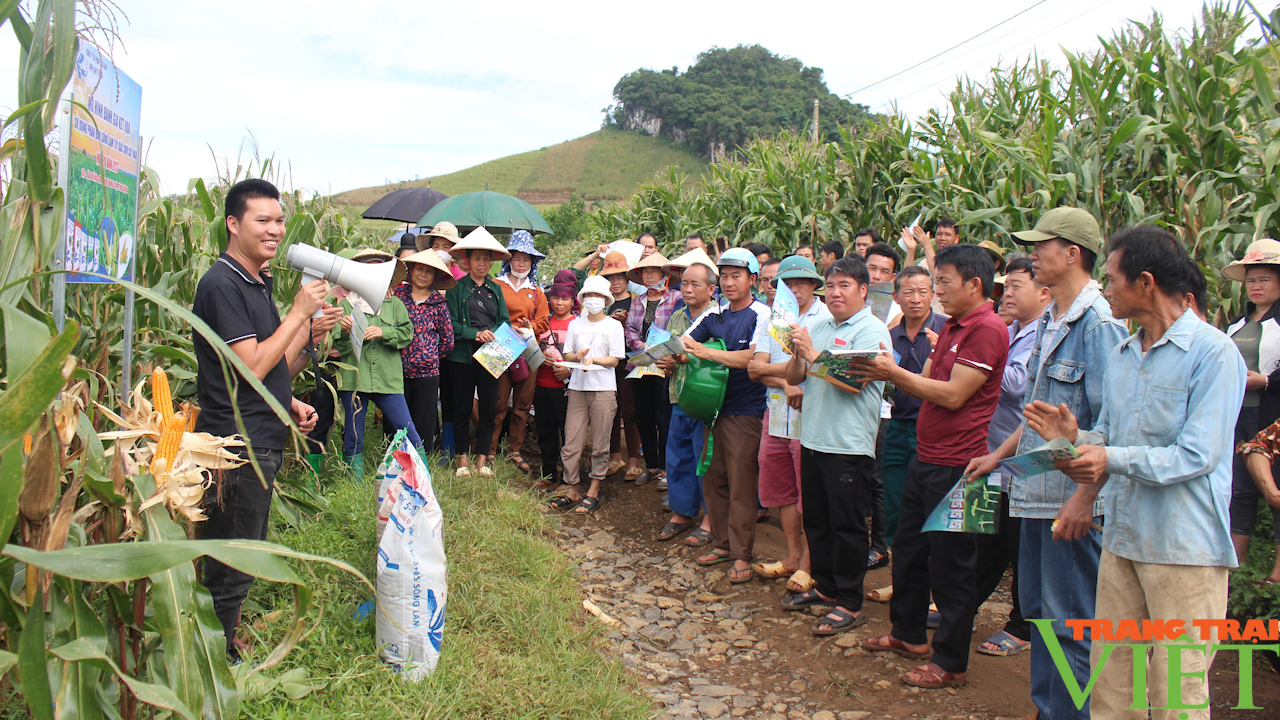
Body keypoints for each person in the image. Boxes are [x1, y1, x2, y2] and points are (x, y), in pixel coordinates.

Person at [1025, 226, 1244, 719]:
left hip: (1183, 551)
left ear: (1145, 283)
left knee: (1177, 693)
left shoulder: (1212, 354)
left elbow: (1197, 456)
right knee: (1111, 683)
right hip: (1122, 541)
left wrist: (1108, 457)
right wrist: (1076, 437)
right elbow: (1109, 438)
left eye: (1111, 279)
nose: (1105, 290)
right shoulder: (1124, 356)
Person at [967, 207, 1126, 720]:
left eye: (1042, 245)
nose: (1033, 254)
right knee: (1042, 617)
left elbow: (1109, 428)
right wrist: (998, 455)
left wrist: (1086, 498)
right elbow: (1037, 413)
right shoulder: (1053, 318)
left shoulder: (1098, 324)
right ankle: (1048, 709)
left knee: (1072, 623)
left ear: (1072, 254)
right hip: (1034, 494)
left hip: (1070, 502)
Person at [193, 178, 340, 661]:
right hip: (235, 445)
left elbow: (268, 370)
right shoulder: (222, 284)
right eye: (263, 220)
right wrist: (298, 314)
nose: (275, 229)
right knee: (232, 560)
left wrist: (290, 393)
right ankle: (217, 664)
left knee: (244, 552)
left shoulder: (256, 281)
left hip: (260, 435)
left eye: (279, 220)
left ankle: (222, 642)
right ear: (234, 224)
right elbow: (250, 366)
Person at [855, 244, 1008, 690]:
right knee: (907, 547)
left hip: (965, 468)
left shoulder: (988, 329)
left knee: (955, 567)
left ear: (974, 284)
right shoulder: (956, 327)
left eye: (942, 282)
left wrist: (893, 374)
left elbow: (953, 395)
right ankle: (907, 633)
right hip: (928, 457)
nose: (936, 291)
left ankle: (951, 662)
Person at [781, 256, 891, 636]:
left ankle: (850, 600)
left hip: (848, 444)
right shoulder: (821, 324)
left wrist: (812, 354)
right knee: (819, 519)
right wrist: (798, 354)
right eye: (831, 286)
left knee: (847, 525)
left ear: (863, 290)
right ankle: (826, 587)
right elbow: (796, 375)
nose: (836, 292)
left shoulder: (871, 330)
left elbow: (853, 382)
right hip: (813, 436)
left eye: (845, 285)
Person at [971, 257, 1048, 659]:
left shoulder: (1042, 333)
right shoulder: (1013, 329)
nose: (1008, 294)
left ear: (1043, 291)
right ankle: (964, 607)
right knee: (988, 537)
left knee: (1020, 546)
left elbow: (1018, 384)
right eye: (1007, 286)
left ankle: (1022, 625)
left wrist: (980, 362)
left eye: (1017, 286)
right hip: (994, 452)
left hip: (1026, 459)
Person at [681, 247, 771, 584]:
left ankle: (741, 553)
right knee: (713, 478)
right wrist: (675, 357)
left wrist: (705, 353)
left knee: (741, 485)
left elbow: (753, 358)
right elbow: (684, 343)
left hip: (745, 411)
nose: (730, 282)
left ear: (752, 279)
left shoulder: (762, 314)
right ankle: (720, 541)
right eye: (725, 276)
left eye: (737, 276)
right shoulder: (714, 315)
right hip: (712, 410)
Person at [747, 255, 831, 595]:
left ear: (813, 285)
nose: (794, 289)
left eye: (801, 282)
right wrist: (786, 381)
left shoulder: (824, 318)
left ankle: (810, 563)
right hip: (776, 413)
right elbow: (754, 368)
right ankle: (793, 556)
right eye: (788, 283)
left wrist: (779, 373)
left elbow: (819, 366)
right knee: (781, 489)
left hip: (811, 414)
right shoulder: (773, 318)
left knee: (807, 491)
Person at [1222, 239, 1280, 582]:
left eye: (1265, 280)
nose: (1256, 287)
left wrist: (1269, 381)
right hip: (1239, 415)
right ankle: (1236, 566)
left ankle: (1276, 575)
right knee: (1240, 489)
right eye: (1251, 281)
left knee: (1276, 489)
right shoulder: (1235, 324)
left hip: (1273, 417)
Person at [333, 249, 419, 472]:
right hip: (355, 380)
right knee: (353, 434)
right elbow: (339, 347)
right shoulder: (346, 306)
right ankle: (354, 482)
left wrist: (383, 332)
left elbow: (407, 335)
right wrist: (343, 332)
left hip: (387, 379)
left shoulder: (395, 305)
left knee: (407, 428)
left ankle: (420, 475)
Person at [547, 275, 626, 515]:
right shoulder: (576, 324)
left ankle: (593, 489)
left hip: (603, 388)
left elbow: (615, 359)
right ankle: (571, 487)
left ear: (606, 300)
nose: (593, 300)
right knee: (571, 441)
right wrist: (578, 356)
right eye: (589, 295)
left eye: (598, 296)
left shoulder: (613, 326)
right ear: (582, 298)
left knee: (600, 443)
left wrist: (594, 359)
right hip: (578, 388)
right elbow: (568, 355)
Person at [655, 251, 718, 542]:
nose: (688, 289)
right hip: (679, 396)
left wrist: (684, 359)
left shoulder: (720, 317)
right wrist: (665, 361)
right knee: (678, 456)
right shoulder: (678, 315)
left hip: (706, 399)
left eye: (695, 284)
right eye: (684, 284)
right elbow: (667, 350)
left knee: (705, 458)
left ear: (711, 289)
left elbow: (721, 358)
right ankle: (681, 512)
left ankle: (710, 518)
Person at [443, 227, 511, 477]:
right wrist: (475, 334)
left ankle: (482, 460)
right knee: (461, 406)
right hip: (461, 357)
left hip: (491, 355)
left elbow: (505, 323)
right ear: (467, 261)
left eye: (486, 258)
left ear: (491, 262)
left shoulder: (496, 289)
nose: (482, 263)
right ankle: (462, 460)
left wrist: (491, 333)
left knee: (488, 408)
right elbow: (450, 323)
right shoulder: (456, 288)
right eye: (477, 258)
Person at [492, 231, 550, 472]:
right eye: (517, 258)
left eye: (527, 259)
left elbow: (544, 321)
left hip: (527, 350)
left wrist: (530, 326)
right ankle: (489, 448)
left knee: (523, 403)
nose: (522, 263)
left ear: (532, 262)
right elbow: (489, 315)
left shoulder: (536, 291)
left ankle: (515, 449)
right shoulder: (495, 284)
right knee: (498, 402)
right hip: (502, 347)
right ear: (509, 260)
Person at [393, 248, 456, 465]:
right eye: (419, 269)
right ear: (410, 271)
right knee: (397, 416)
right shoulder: (398, 296)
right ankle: (394, 459)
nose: (423, 275)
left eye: (428, 272)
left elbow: (448, 340)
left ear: (434, 277)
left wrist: (428, 356)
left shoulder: (438, 304)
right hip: (396, 368)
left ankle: (421, 461)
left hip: (427, 372)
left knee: (424, 417)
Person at [862, 240, 903, 570]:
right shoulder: (852, 302)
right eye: (872, 268)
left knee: (878, 478)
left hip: (884, 408)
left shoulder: (898, 311)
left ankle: (880, 545)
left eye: (885, 271)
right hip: (854, 404)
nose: (877, 276)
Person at [625, 251, 680, 486]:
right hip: (641, 363)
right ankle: (652, 465)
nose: (648, 276)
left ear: (663, 274)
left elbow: (677, 330)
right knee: (643, 415)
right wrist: (642, 345)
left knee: (663, 415)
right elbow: (629, 329)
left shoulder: (675, 298)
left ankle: (667, 468)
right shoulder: (637, 301)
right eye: (645, 272)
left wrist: (660, 350)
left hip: (663, 364)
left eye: (653, 271)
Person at [598, 250, 644, 481]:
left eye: (619, 277)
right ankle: (615, 456)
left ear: (627, 279)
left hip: (628, 361)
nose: (615, 282)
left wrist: (627, 323)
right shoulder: (602, 302)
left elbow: (641, 329)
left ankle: (634, 460)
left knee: (630, 409)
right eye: (610, 278)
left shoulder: (636, 302)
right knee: (611, 410)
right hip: (606, 362)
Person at [534, 270, 578, 490]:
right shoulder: (543, 322)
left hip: (567, 388)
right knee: (545, 431)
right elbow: (531, 349)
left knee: (567, 432)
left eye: (565, 299)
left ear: (573, 300)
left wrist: (569, 371)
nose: (560, 303)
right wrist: (539, 359)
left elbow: (584, 356)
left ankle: (570, 477)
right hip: (542, 384)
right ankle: (549, 473)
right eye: (556, 298)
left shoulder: (578, 324)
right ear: (550, 298)